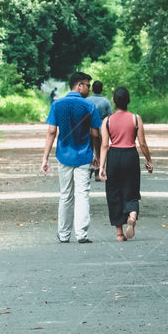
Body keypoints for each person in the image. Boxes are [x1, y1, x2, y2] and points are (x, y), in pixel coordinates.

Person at [41, 72, 102, 243]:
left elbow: (52, 131)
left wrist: (45, 158)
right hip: (83, 156)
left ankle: (63, 234)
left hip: (64, 156)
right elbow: (96, 134)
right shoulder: (89, 107)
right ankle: (81, 234)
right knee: (82, 194)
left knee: (65, 195)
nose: (89, 89)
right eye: (87, 85)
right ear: (79, 85)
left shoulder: (57, 104)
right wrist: (97, 155)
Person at [98, 86, 153, 241]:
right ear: (128, 101)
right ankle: (132, 215)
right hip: (130, 156)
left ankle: (119, 233)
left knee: (114, 193)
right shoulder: (136, 118)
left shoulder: (107, 121)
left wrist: (102, 167)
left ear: (114, 101)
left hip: (114, 156)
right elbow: (142, 143)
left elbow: (104, 145)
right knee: (131, 189)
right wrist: (148, 160)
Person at [87, 81, 113, 182]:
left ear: (92, 89)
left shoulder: (87, 100)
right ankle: (99, 170)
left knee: (89, 148)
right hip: (101, 129)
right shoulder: (105, 101)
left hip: (88, 128)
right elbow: (110, 116)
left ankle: (89, 168)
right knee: (100, 149)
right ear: (101, 89)